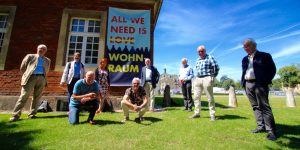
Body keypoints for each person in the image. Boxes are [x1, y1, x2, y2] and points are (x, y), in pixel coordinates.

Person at [241, 38, 277, 141]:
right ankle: (260, 127)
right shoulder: (244, 59)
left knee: (264, 107)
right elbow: (244, 72)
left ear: (254, 46)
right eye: (244, 47)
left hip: (260, 84)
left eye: (247, 46)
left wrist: (265, 80)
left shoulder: (265, 56)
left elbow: (272, 70)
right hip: (248, 84)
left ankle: (271, 131)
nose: (245, 48)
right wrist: (244, 83)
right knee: (255, 107)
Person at [9, 44, 51, 122]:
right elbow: (22, 67)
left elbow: (47, 70)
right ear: (37, 49)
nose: (41, 50)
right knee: (24, 96)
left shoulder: (47, 60)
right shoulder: (30, 56)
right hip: (30, 77)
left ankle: (32, 114)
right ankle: (15, 115)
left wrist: (43, 78)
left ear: (45, 51)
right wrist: (26, 76)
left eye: (43, 49)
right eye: (40, 48)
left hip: (42, 78)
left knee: (37, 97)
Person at [190, 45, 219, 121]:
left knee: (209, 97)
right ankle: (197, 113)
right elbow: (196, 69)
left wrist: (212, 77)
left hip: (207, 78)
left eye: (202, 51)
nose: (200, 52)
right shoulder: (197, 59)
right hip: (198, 78)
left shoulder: (210, 57)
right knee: (196, 97)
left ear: (205, 51)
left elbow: (216, 67)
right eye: (199, 51)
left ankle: (212, 114)